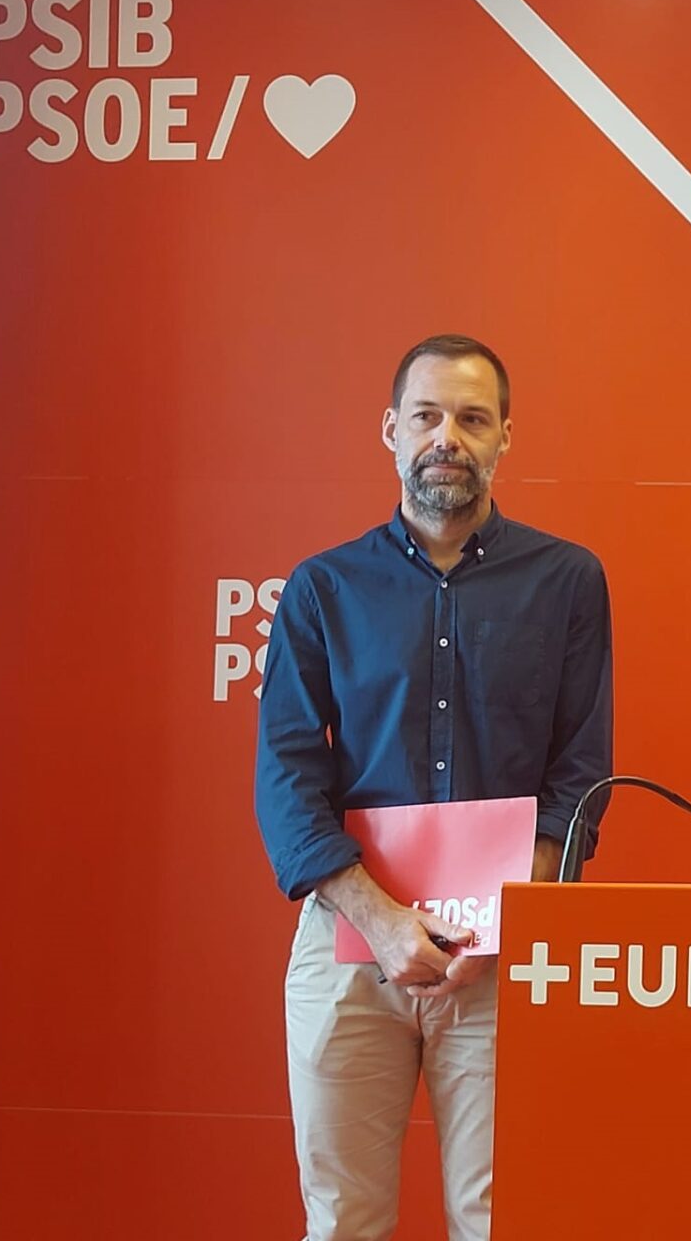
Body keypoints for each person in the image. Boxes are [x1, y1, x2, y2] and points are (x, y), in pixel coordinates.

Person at [254, 334, 614, 1241]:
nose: (446, 437)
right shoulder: (323, 588)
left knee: (500, 1222)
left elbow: (579, 773)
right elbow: (288, 776)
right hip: (350, 947)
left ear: (504, 438)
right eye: (426, 416)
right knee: (343, 1223)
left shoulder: (567, 581)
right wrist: (380, 920)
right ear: (391, 430)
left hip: (504, 956)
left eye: (472, 418)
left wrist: (499, 919)